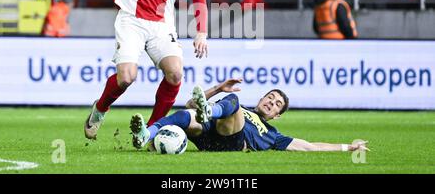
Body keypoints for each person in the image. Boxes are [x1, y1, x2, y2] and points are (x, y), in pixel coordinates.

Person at [75, 0, 209, 140]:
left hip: (162, 25)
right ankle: (99, 110)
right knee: (126, 78)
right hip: (131, 19)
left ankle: (150, 130)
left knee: (175, 74)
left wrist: (202, 32)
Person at [130, 78, 369, 153]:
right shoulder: (242, 106)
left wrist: (348, 147)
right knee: (185, 114)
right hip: (209, 134)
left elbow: (309, 147)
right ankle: (145, 135)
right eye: (270, 97)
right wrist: (217, 90)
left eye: (276, 105)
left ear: (277, 115)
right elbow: (192, 103)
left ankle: (210, 110)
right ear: (261, 98)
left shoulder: (273, 134)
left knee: (233, 103)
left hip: (232, 141)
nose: (270, 103)